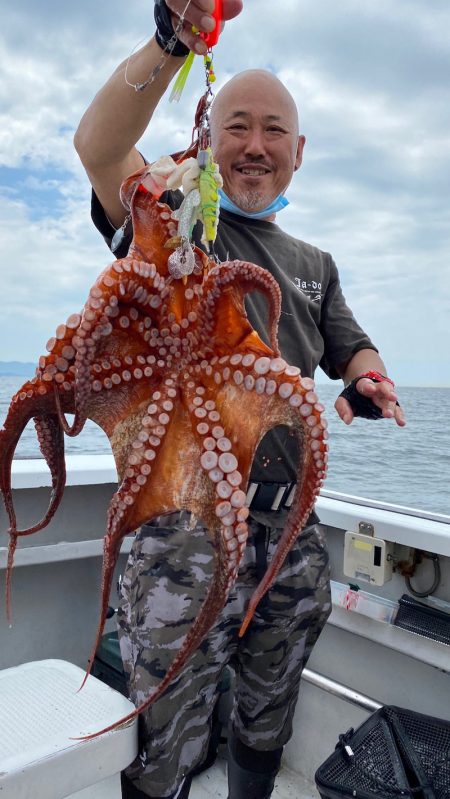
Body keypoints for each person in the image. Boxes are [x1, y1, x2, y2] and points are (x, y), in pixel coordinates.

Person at [74, 3, 406, 798]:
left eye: (274, 131)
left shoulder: (316, 264)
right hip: (182, 525)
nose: (255, 145)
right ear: (208, 141)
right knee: (163, 724)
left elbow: (351, 346)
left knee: (269, 710)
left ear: (299, 151)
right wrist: (171, 40)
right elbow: (100, 150)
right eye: (238, 127)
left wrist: (368, 376)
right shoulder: (176, 226)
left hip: (290, 531)